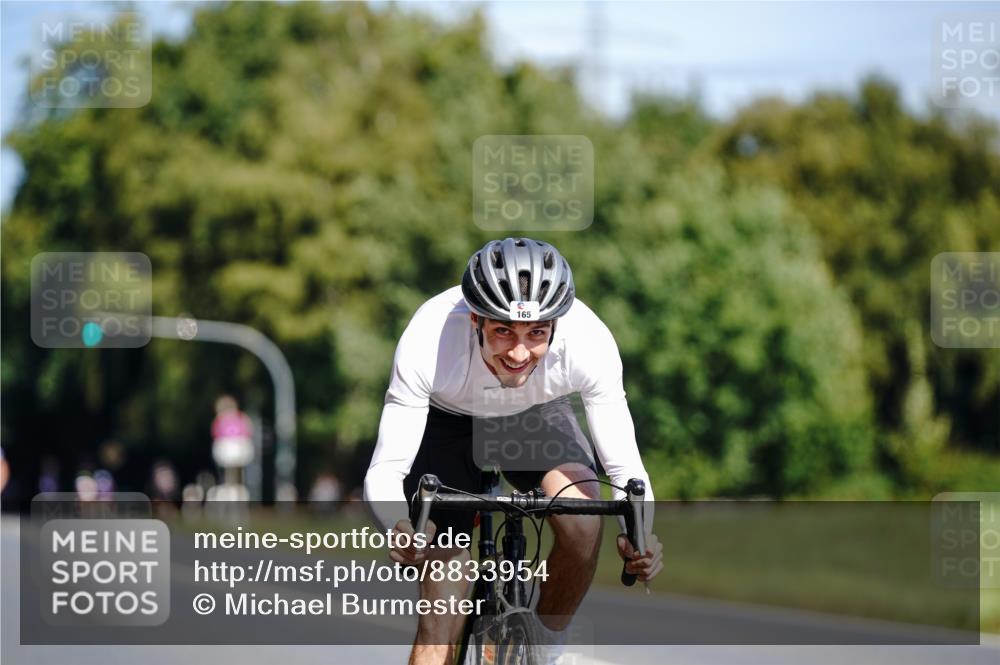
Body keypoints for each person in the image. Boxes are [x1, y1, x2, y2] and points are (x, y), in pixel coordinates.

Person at [365, 237, 663, 665]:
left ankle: (545, 647)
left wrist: (641, 539)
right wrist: (398, 526)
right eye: (503, 331)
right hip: (447, 419)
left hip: (532, 414)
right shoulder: (429, 337)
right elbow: (386, 468)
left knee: (582, 518)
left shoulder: (589, 341)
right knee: (440, 616)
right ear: (475, 321)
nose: (520, 352)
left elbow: (625, 469)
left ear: (556, 327)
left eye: (536, 333)